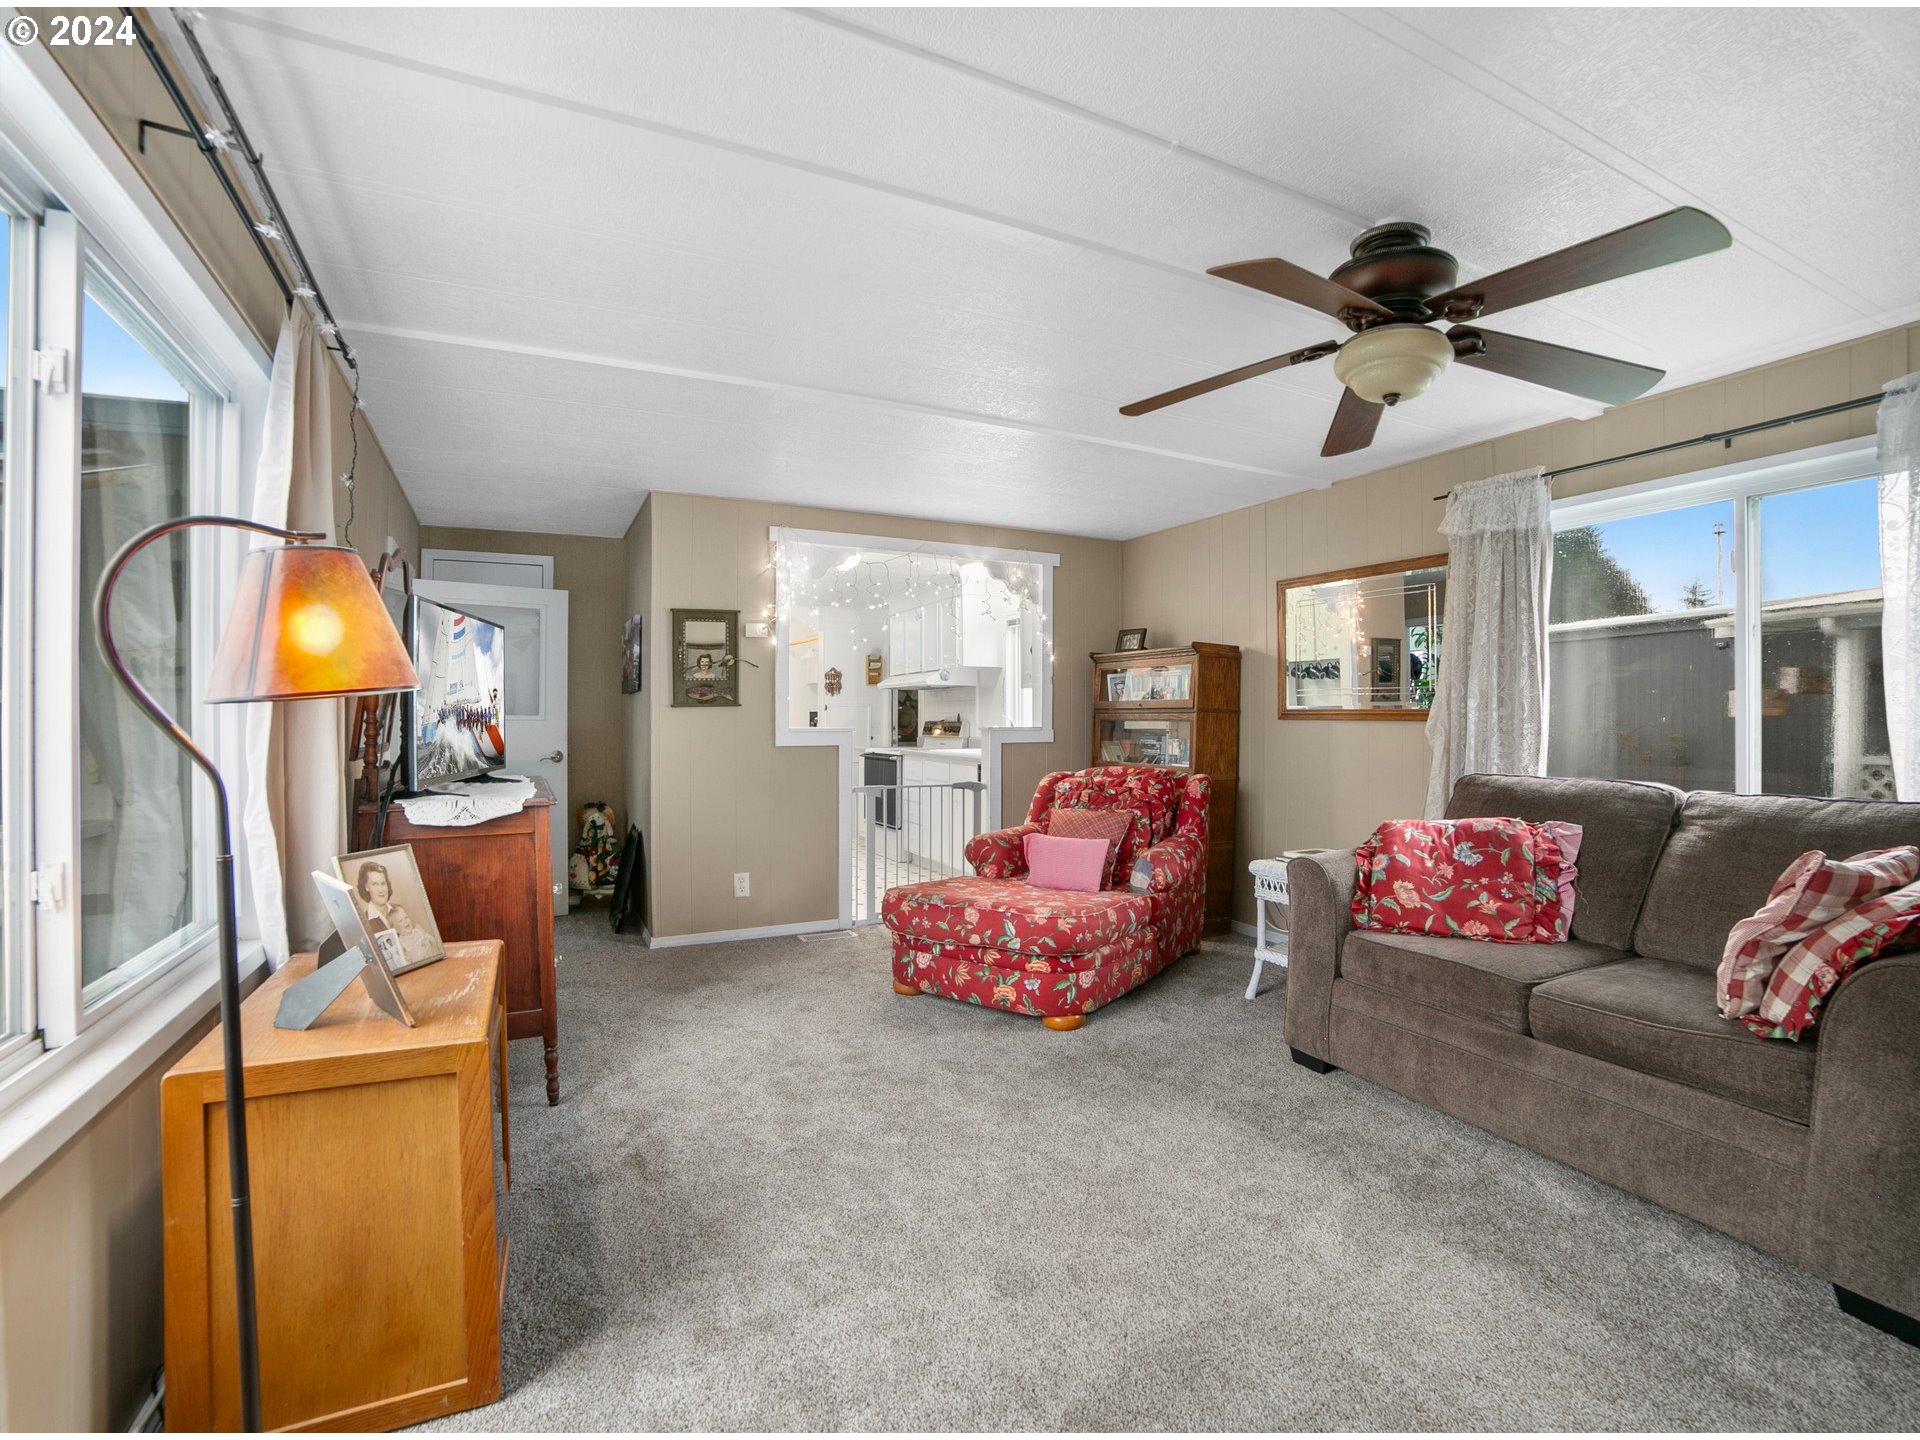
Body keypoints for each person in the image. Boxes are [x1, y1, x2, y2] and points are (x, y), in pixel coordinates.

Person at [354, 860, 438, 966]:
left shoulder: (399, 910)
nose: (381, 890)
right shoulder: (364, 921)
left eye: (383, 883)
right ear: (366, 887)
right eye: (375, 884)